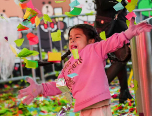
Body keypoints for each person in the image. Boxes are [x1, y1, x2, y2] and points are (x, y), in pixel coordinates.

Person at [18, 18, 152, 116]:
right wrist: (40, 89)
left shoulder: (94, 49)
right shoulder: (68, 64)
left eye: (77, 37)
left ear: (91, 40)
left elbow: (111, 42)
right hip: (83, 106)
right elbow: (61, 85)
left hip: (98, 101)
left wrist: (128, 34)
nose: (72, 40)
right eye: (70, 38)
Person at [94, 0, 133, 103]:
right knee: (120, 61)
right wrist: (123, 2)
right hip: (110, 26)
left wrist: (123, 4)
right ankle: (97, 91)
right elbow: (106, 5)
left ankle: (124, 91)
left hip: (114, 25)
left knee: (121, 60)